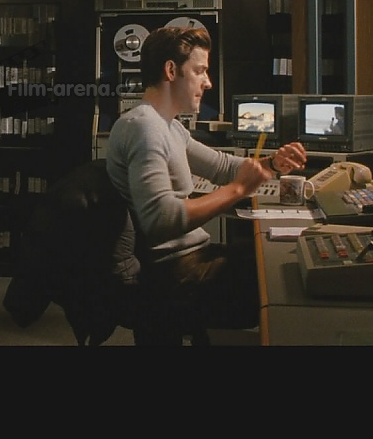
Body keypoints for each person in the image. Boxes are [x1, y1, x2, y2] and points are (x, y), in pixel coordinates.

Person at [106, 25, 307, 343]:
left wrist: (271, 163)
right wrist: (238, 190)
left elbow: (223, 167)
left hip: (190, 260)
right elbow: (160, 220)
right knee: (290, 279)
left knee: (284, 260)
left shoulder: (168, 127)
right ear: (171, 70)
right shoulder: (144, 128)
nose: (208, 82)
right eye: (199, 71)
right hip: (173, 274)